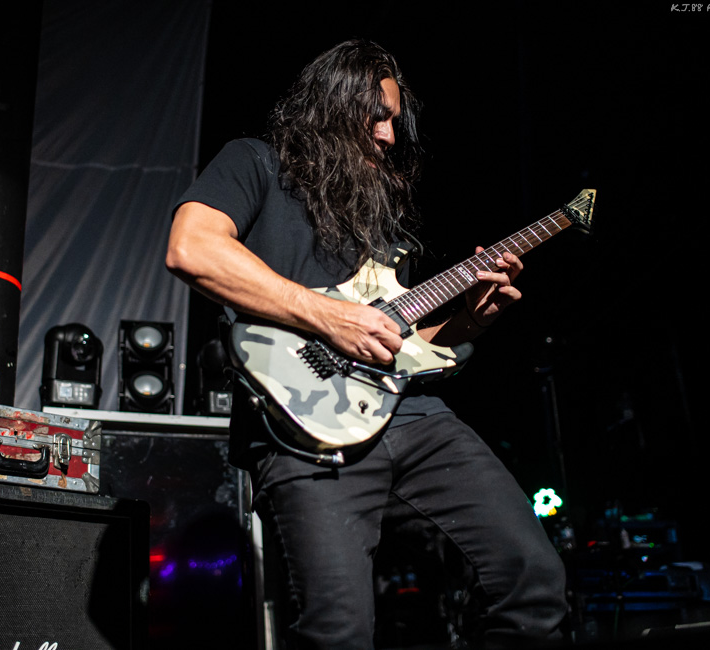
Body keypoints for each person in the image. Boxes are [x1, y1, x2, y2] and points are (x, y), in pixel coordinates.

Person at [166, 39, 567, 649]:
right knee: (339, 631)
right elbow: (192, 248)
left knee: (533, 580)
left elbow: (406, 339)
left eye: (395, 121)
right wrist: (327, 316)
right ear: (332, 103)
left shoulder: (374, 219)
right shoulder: (254, 162)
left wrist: (472, 321)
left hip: (411, 414)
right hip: (298, 428)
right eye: (376, 114)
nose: (388, 134)